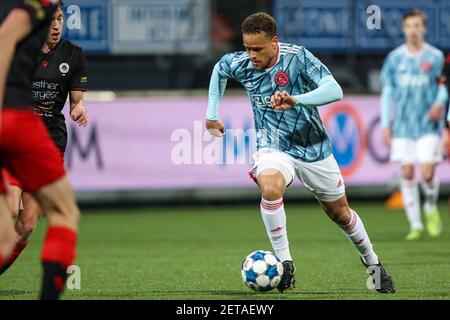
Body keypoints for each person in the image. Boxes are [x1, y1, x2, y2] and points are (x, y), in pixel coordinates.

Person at [206, 12, 395, 294]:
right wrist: (212, 114)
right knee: (270, 189)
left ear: (274, 42)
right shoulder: (242, 64)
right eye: (247, 47)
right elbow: (220, 69)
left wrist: (297, 100)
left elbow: (335, 90)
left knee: (340, 214)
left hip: (314, 147)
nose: (251, 55)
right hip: (273, 146)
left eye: (258, 49)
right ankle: (286, 264)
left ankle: (372, 262)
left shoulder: (298, 58)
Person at [0, 1, 88, 276]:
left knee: (26, 225)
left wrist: (78, 107)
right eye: (52, 20)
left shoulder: (73, 55)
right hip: (17, 134)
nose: (56, 25)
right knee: (11, 208)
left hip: (48, 139)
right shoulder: (20, 49)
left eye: (60, 19)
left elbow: (76, 100)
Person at [380, 9, 448, 240]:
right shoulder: (395, 59)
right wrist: (386, 123)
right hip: (402, 126)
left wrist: (439, 102)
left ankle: (429, 205)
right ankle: (416, 224)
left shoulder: (436, 57)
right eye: (409, 26)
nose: (413, 30)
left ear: (424, 29)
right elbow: (387, 93)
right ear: (403, 29)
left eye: (417, 26)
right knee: (407, 173)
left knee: (427, 173)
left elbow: (443, 86)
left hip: (428, 125)